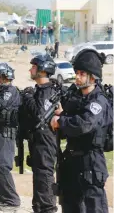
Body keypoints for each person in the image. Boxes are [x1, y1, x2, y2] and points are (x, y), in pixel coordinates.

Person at [50, 49, 112, 213]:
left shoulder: (98, 101)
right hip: (72, 159)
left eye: (82, 73)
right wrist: (62, 116)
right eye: (76, 72)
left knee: (93, 207)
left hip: (90, 160)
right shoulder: (77, 98)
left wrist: (61, 121)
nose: (77, 77)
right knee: (71, 205)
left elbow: (84, 124)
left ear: (92, 76)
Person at [21, 54, 58, 213]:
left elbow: (39, 114)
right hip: (37, 141)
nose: (30, 69)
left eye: (34, 67)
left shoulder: (48, 92)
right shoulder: (40, 91)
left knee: (45, 177)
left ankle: (48, 209)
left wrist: (28, 97)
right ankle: (39, 208)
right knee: (38, 177)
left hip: (45, 141)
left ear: (42, 70)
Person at [0, 63, 21, 210]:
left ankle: (12, 200)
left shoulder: (10, 91)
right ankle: (1, 197)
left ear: (4, 77)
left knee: (2, 166)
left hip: (6, 133)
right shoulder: (2, 90)